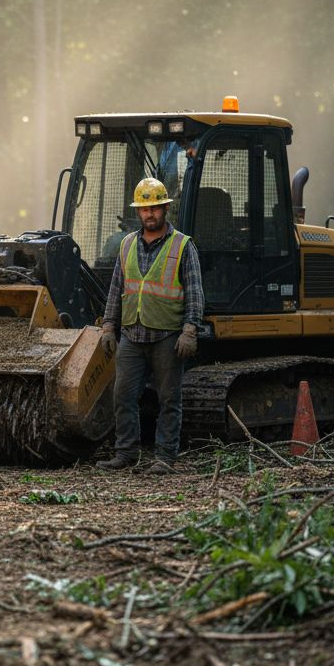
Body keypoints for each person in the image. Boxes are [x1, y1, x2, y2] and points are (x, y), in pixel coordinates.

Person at [96, 177, 204, 474]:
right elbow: (117, 288)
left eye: (155, 207)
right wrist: (108, 326)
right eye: (145, 209)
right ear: (138, 212)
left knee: (169, 399)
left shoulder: (183, 246)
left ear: (166, 208)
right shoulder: (127, 244)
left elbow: (194, 291)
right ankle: (125, 453)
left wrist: (190, 330)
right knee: (123, 396)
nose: (150, 214)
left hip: (167, 337)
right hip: (132, 334)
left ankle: (165, 457)